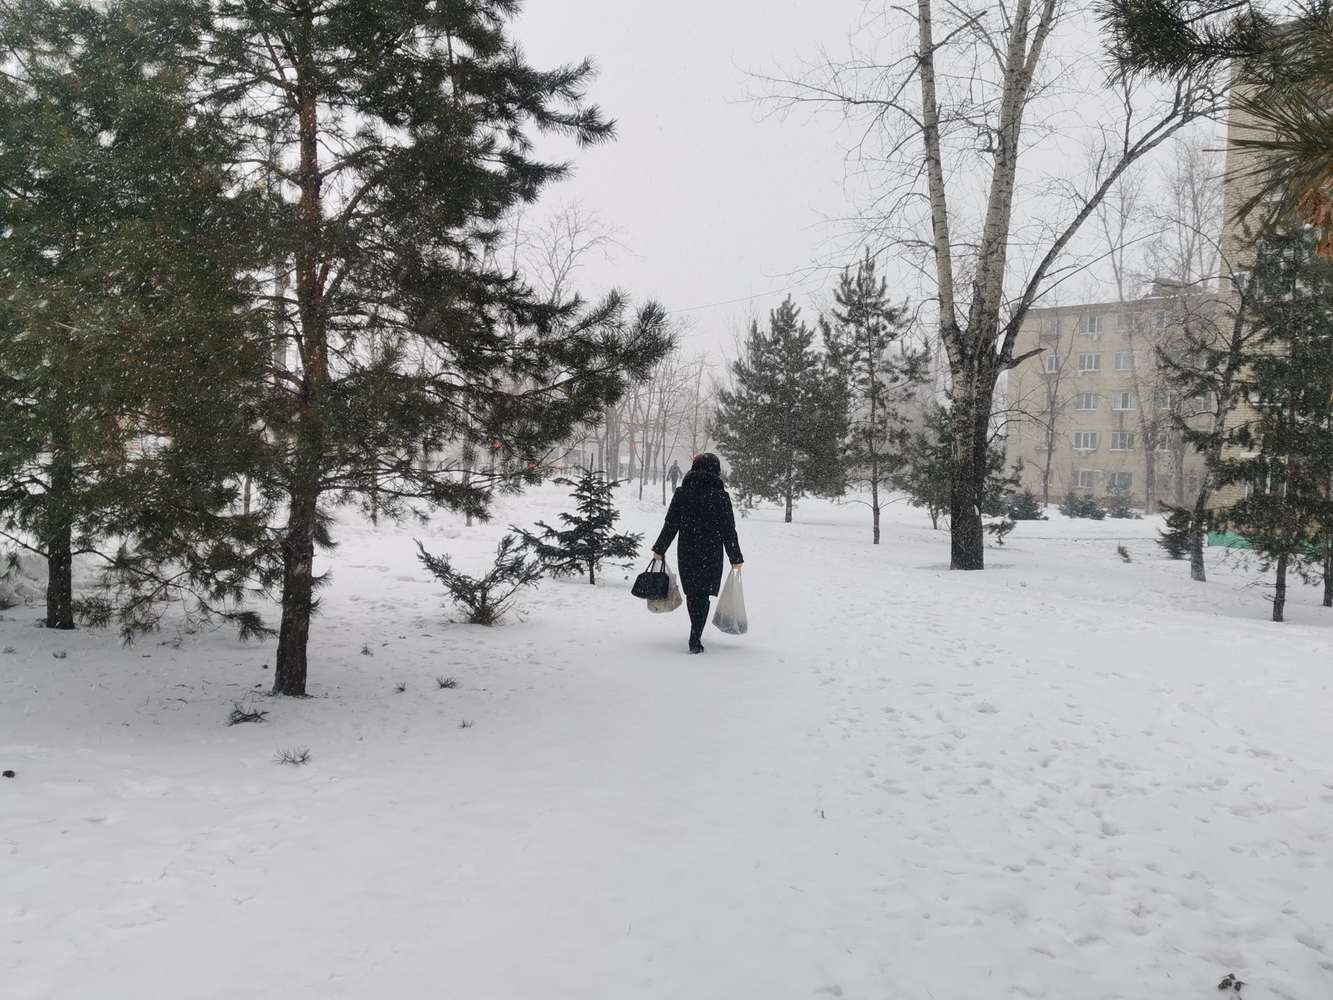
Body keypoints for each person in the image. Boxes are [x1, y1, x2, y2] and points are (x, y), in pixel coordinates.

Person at [651, 453, 743, 653]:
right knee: (703, 595)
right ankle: (696, 635)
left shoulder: (682, 493)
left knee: (693, 593)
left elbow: (671, 524)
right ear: (715, 470)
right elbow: (729, 530)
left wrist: (660, 548)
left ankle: (695, 632)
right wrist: (735, 557)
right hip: (711, 552)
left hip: (688, 551)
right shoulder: (721, 496)